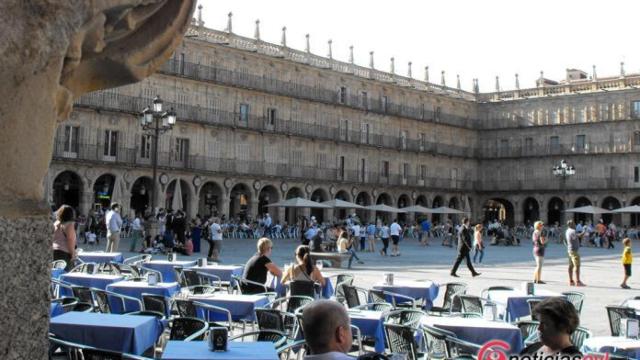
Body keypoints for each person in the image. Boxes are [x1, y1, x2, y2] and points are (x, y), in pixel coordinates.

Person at [52, 205, 77, 271]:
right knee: (64, 275)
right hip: (64, 253)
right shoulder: (69, 225)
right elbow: (70, 240)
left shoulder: (56, 223)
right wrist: (73, 253)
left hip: (53, 251)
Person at [565, 220, 585, 287]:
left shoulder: (567, 230)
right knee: (577, 266)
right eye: (574, 224)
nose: (575, 225)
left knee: (570, 266)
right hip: (574, 251)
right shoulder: (572, 231)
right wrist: (584, 231)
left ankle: (571, 281)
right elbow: (578, 236)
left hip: (569, 250)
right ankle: (578, 281)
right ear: (571, 225)